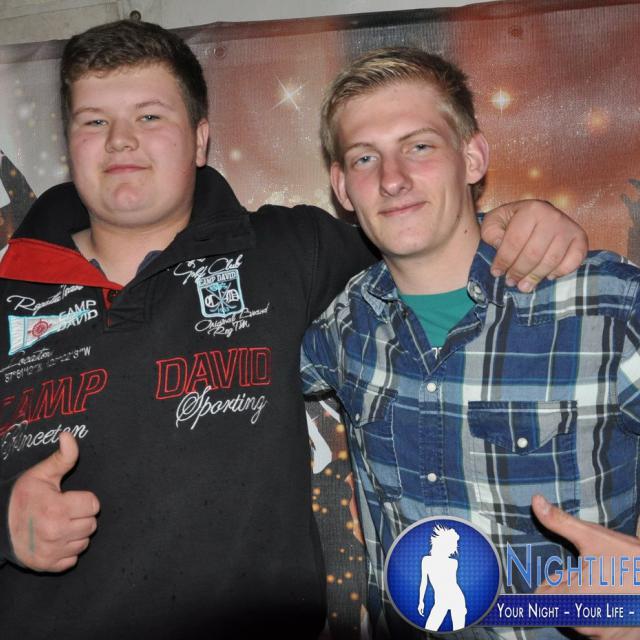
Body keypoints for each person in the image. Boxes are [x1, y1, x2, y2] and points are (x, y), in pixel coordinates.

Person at [0, 20, 587, 640]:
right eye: (94, 121)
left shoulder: (291, 249)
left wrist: (516, 225)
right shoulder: (9, 286)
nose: (120, 140)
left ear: (200, 140)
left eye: (149, 116)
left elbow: (421, 238)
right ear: (70, 142)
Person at [300, 47, 640, 639]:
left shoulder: (605, 302)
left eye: (419, 146)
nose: (392, 178)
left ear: (473, 157)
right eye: (365, 157)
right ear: (342, 187)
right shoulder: (343, 326)